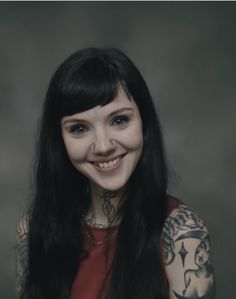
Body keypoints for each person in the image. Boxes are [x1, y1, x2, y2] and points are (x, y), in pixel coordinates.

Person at [16, 47, 215, 299]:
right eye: (79, 128)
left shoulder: (182, 233)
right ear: (59, 140)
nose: (103, 146)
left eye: (119, 120)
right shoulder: (33, 230)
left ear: (144, 124)